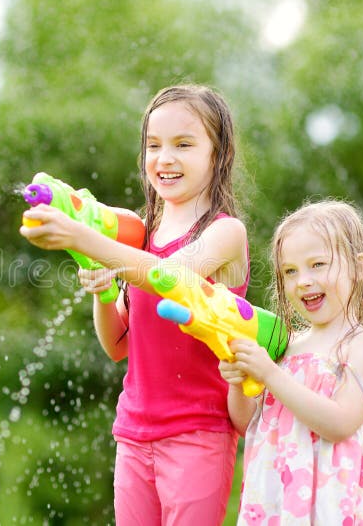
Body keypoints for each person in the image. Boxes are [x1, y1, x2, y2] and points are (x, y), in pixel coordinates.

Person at [20, 84, 249, 525]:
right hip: (134, 433)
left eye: (184, 144)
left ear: (217, 155)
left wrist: (83, 237)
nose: (165, 158)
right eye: (154, 145)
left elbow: (170, 279)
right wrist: (104, 289)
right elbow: (117, 345)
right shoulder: (141, 235)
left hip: (198, 432)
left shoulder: (225, 234)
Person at [218, 199, 363, 525]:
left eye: (317, 264)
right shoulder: (284, 346)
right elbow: (248, 425)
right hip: (273, 504)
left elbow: (340, 423)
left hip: (326, 508)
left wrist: (269, 373)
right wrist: (241, 381)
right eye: (290, 271)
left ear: (358, 267)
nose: (303, 281)